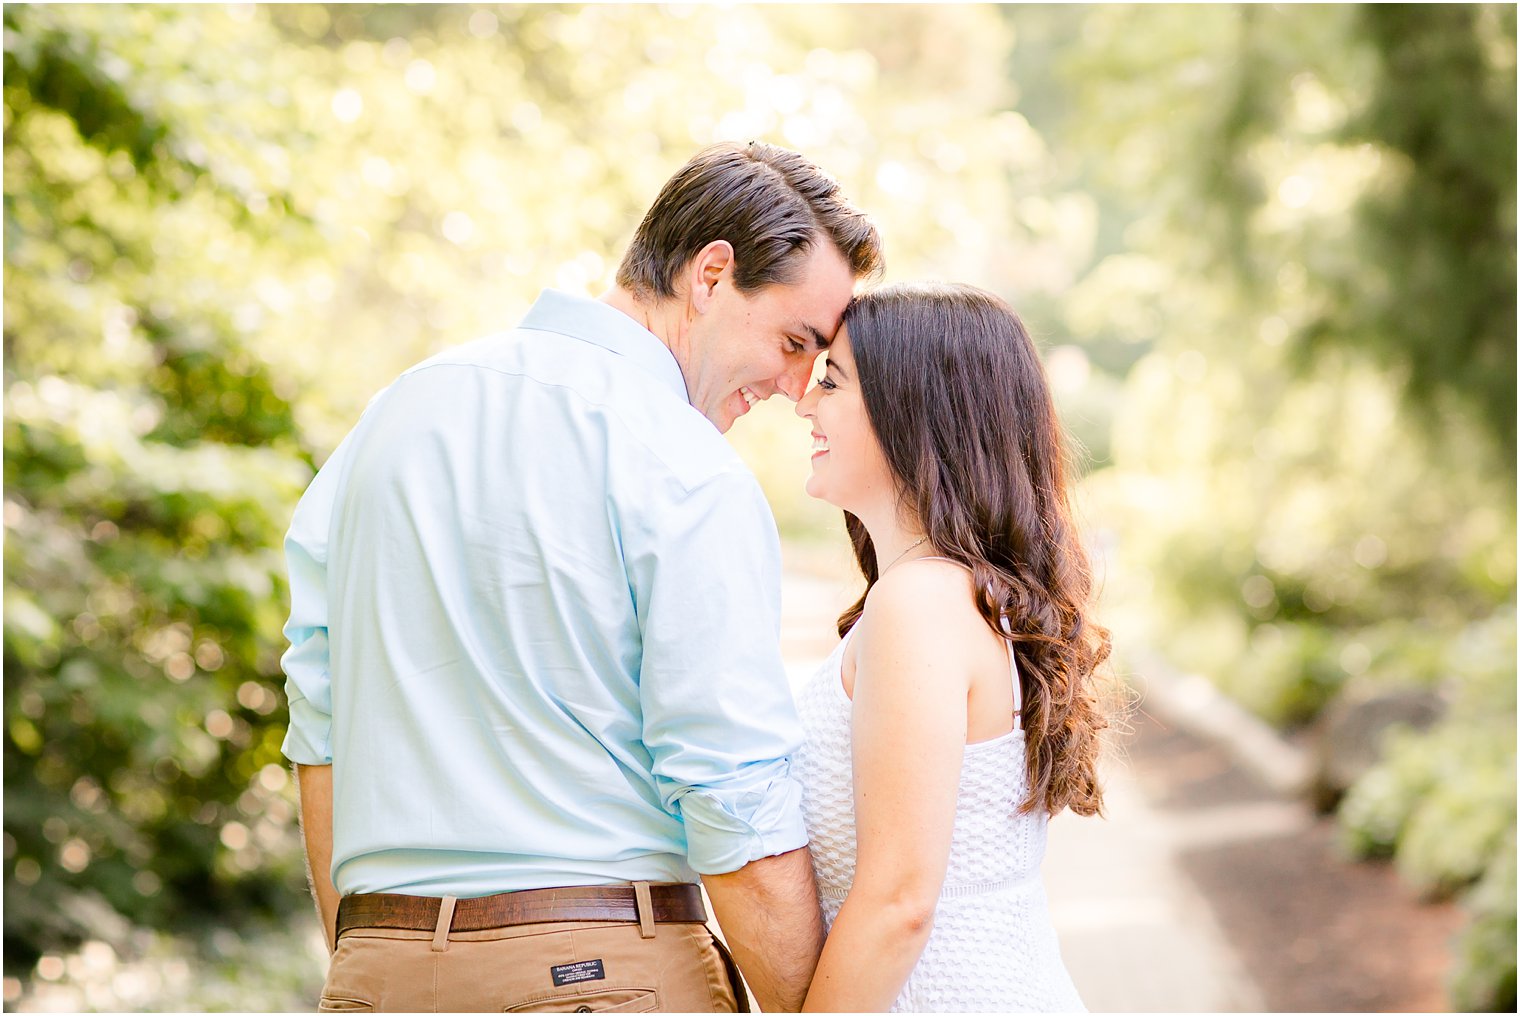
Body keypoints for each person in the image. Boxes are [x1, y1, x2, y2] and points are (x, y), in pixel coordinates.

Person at [279, 141, 883, 1013]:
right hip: (601, 979)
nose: (797, 389)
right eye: (795, 342)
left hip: (379, 973)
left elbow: (320, 728)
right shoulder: (686, 467)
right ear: (710, 275)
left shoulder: (390, 417)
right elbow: (730, 791)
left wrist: (367, 959)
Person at [790, 282, 1112, 1012]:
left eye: (831, 381)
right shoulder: (952, 596)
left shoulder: (920, 602)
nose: (805, 404)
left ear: (913, 410)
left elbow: (900, 900)